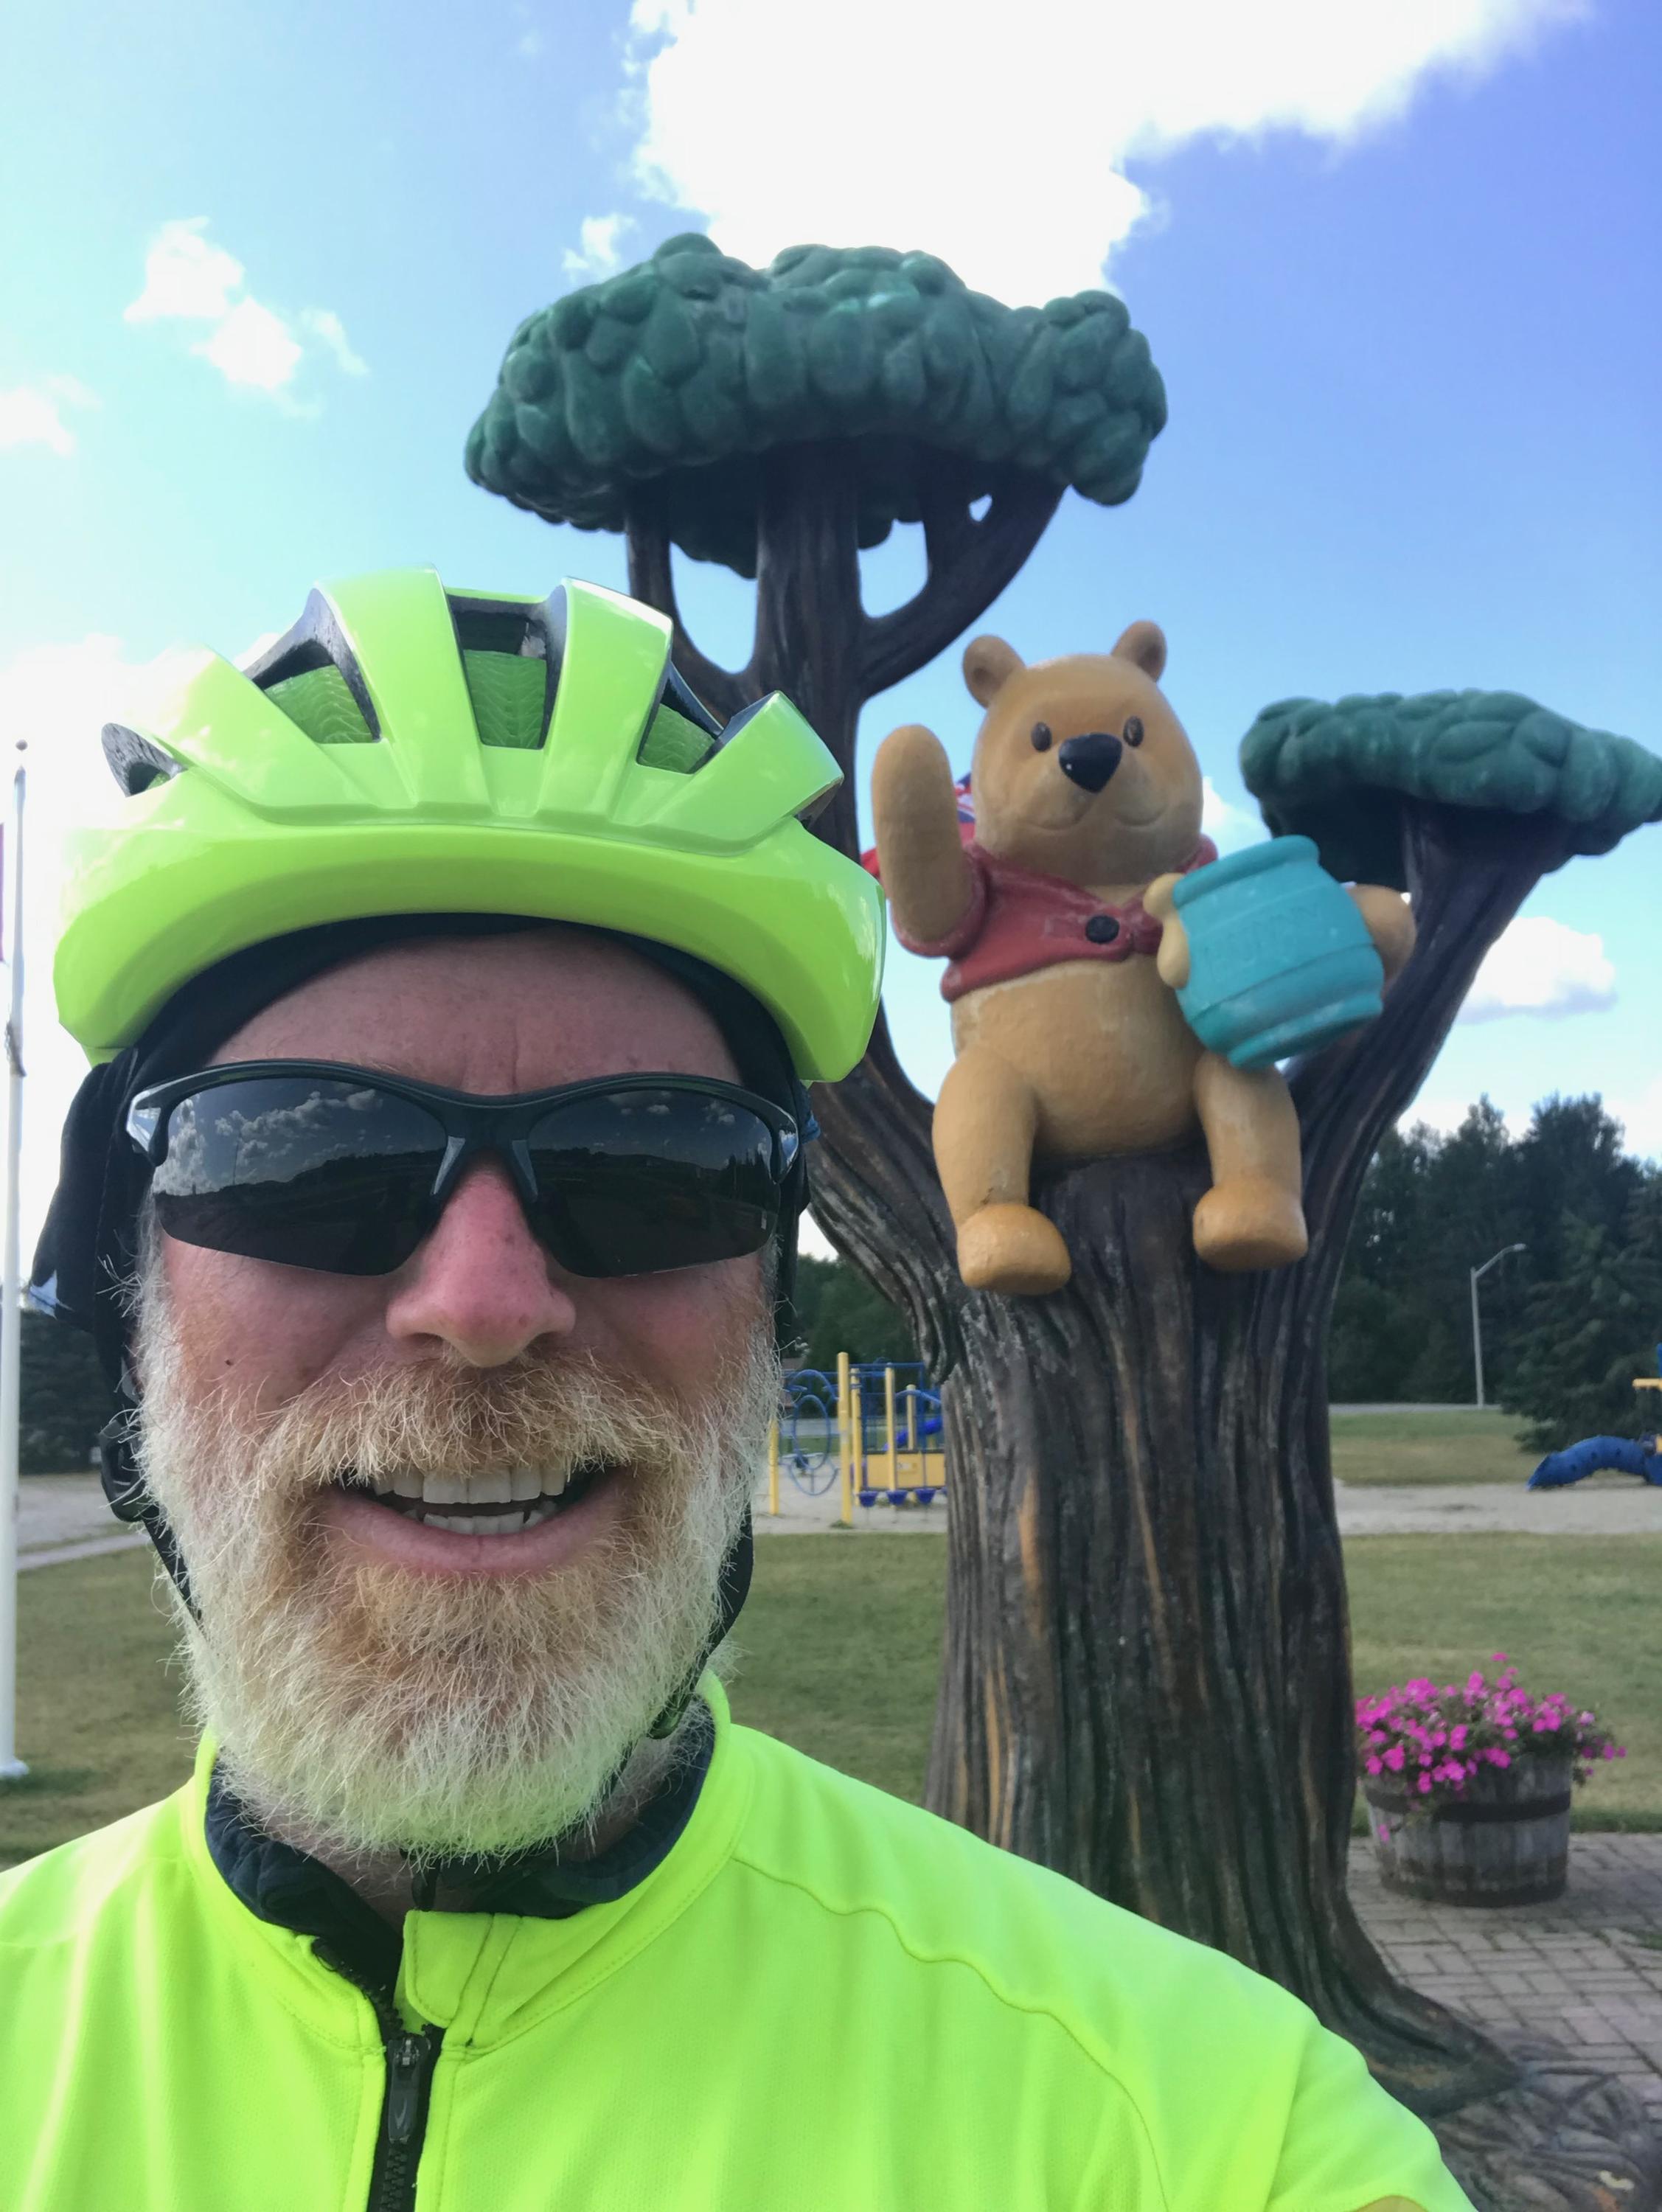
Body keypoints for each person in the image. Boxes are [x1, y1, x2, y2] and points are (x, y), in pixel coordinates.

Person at [0, 569, 1472, 2210]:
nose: (484, 1305)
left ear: (765, 1291)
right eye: (300, 1155)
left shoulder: (1194, 2123)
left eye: (652, 1165)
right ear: (125, 1278)